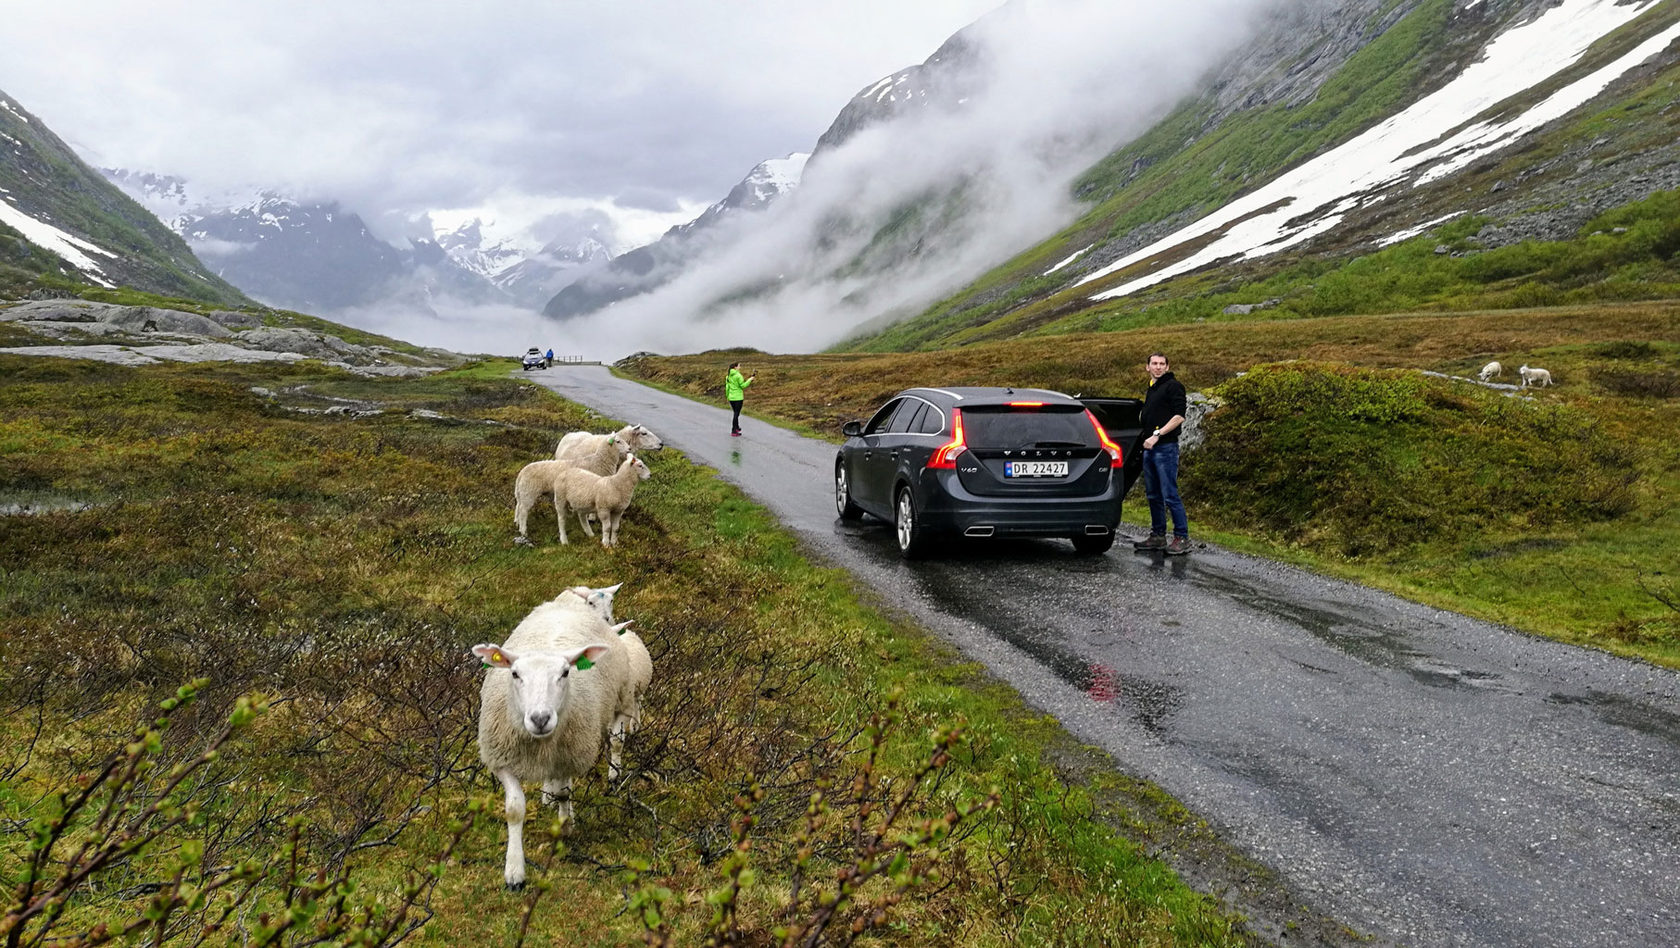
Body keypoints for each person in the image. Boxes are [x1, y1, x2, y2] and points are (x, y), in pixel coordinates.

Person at [1134, 352, 1190, 555]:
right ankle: (1158, 535)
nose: (1158, 367)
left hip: (1165, 447)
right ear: (1147, 367)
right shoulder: (1153, 388)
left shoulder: (1173, 386)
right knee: (1153, 494)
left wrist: (1157, 434)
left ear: (1167, 367)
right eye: (1154, 364)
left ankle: (1182, 537)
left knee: (1169, 494)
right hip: (1149, 448)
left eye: (1161, 364)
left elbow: (1179, 416)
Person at [725, 361, 754, 436]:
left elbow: (727, 387)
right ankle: (734, 430)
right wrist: (749, 380)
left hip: (731, 397)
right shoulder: (738, 376)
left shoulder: (728, 376)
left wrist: (727, 396)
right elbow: (743, 386)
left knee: (735, 413)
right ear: (735, 367)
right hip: (738, 397)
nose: (740, 367)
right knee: (736, 414)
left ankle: (736, 427)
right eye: (739, 366)